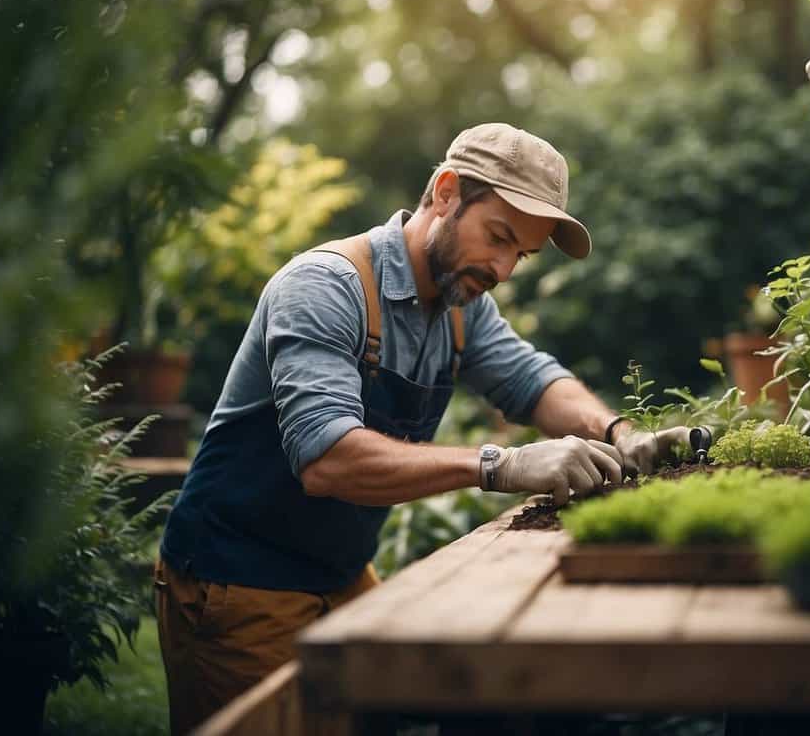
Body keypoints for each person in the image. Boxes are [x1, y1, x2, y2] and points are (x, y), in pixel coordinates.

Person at [153, 122, 688, 734]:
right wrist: (500, 465)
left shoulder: (462, 308)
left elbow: (534, 380)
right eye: (499, 237)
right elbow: (327, 459)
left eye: (522, 254)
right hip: (237, 583)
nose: (505, 269)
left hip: (340, 575)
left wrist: (619, 429)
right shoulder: (326, 287)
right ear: (445, 192)